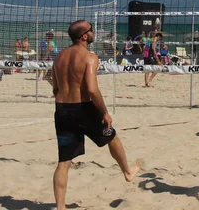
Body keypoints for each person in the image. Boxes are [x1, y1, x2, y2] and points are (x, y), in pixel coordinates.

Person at [51, 20, 140, 210]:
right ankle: (128, 171)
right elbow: (92, 89)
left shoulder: (59, 57)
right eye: (91, 30)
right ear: (84, 36)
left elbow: (56, 88)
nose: (93, 32)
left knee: (64, 161)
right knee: (112, 135)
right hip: (83, 109)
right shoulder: (90, 57)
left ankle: (60, 207)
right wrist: (105, 112)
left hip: (62, 110)